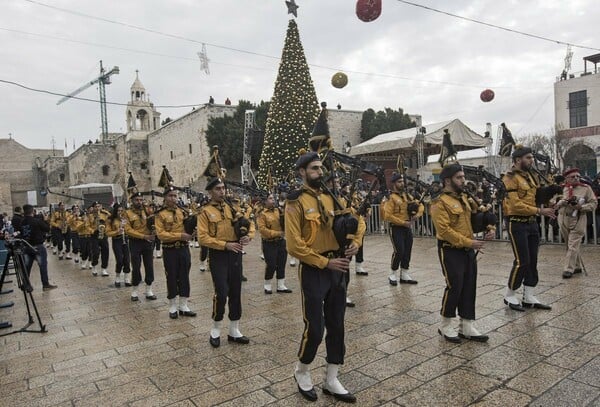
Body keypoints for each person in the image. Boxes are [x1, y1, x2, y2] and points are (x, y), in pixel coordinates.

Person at [285, 152, 360, 403]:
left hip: (338, 267)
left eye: (321, 168)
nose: (320, 172)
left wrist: (355, 244)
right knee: (315, 328)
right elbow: (294, 246)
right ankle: (302, 370)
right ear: (302, 173)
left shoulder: (332, 197)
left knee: (337, 325)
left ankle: (332, 378)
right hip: (314, 268)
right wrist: (325, 262)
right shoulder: (295, 202)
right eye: (314, 168)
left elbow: (355, 223)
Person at [430, 164, 492, 343]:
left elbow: (476, 217)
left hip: (468, 248)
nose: (463, 180)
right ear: (447, 180)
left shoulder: (464, 198)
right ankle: (446, 324)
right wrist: (469, 242)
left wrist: (489, 226)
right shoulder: (439, 202)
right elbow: (444, 230)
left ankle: (466, 324)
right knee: (454, 285)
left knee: (469, 285)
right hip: (450, 249)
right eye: (459, 177)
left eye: (463, 177)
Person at [197, 177, 254, 348]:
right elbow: (202, 238)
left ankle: (234, 330)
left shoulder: (233, 208)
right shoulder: (205, 212)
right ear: (210, 192)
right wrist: (225, 245)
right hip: (218, 255)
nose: (222, 191)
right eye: (217, 189)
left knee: (236, 292)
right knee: (221, 292)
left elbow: (249, 224)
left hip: (235, 254)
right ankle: (215, 328)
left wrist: (247, 236)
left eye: (223, 188)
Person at [502, 146, 555, 311]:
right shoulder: (509, 178)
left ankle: (529, 295)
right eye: (529, 158)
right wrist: (540, 211)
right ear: (518, 160)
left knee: (532, 260)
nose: (532, 160)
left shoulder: (531, 176)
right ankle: (510, 294)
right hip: (517, 222)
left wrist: (550, 196)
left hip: (531, 223)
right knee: (522, 261)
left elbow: (536, 196)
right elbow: (515, 204)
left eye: (532, 157)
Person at [155, 186, 195, 319]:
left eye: (175, 196)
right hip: (170, 249)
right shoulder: (160, 214)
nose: (173, 198)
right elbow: (161, 234)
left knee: (184, 275)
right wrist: (179, 236)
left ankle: (183, 305)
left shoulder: (182, 212)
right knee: (171, 276)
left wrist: (192, 232)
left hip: (183, 248)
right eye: (170, 196)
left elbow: (188, 228)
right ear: (165, 198)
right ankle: (172, 306)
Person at [383, 172, 424, 285]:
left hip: (407, 227)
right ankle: (392, 273)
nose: (402, 183)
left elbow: (420, 205)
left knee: (407, 250)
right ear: (394, 184)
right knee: (399, 251)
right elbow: (387, 215)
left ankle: (404, 274)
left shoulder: (407, 196)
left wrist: (417, 215)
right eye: (399, 182)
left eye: (402, 181)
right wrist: (402, 223)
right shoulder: (391, 198)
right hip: (396, 228)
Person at [556, 168, 597, 278]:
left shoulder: (586, 188)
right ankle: (577, 266)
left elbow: (594, 203)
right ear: (566, 179)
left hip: (578, 218)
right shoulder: (563, 189)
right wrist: (560, 202)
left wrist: (581, 207)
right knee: (569, 245)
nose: (576, 178)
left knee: (573, 244)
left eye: (578, 176)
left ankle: (568, 269)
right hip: (563, 218)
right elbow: (553, 201)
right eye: (572, 177)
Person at [124, 193, 157, 302]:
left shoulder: (147, 211)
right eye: (136, 200)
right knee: (136, 266)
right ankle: (134, 290)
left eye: (141, 200)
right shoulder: (127, 213)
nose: (139, 202)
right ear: (132, 201)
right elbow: (128, 230)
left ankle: (149, 290)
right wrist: (143, 236)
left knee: (149, 265)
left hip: (147, 242)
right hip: (135, 242)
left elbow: (155, 222)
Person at [256, 193, 291, 295]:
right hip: (269, 243)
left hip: (280, 241)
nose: (273, 200)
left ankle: (281, 285)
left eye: (273, 198)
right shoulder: (262, 213)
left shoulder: (278, 210)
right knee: (271, 265)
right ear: (265, 201)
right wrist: (278, 233)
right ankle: (267, 285)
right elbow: (263, 230)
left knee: (281, 263)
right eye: (270, 198)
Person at [19, 204, 57, 291]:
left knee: (27, 267)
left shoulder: (22, 222)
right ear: (32, 211)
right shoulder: (36, 221)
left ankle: (25, 284)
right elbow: (47, 229)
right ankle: (45, 285)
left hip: (26, 246)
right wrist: (46, 220)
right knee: (42, 266)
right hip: (38, 247)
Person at [105, 204, 132, 287]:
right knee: (119, 260)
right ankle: (117, 277)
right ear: (115, 211)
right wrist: (117, 232)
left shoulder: (126, 219)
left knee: (127, 260)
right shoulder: (111, 220)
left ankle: (127, 278)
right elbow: (108, 233)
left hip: (125, 240)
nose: (120, 212)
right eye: (118, 211)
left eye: (121, 210)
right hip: (117, 240)